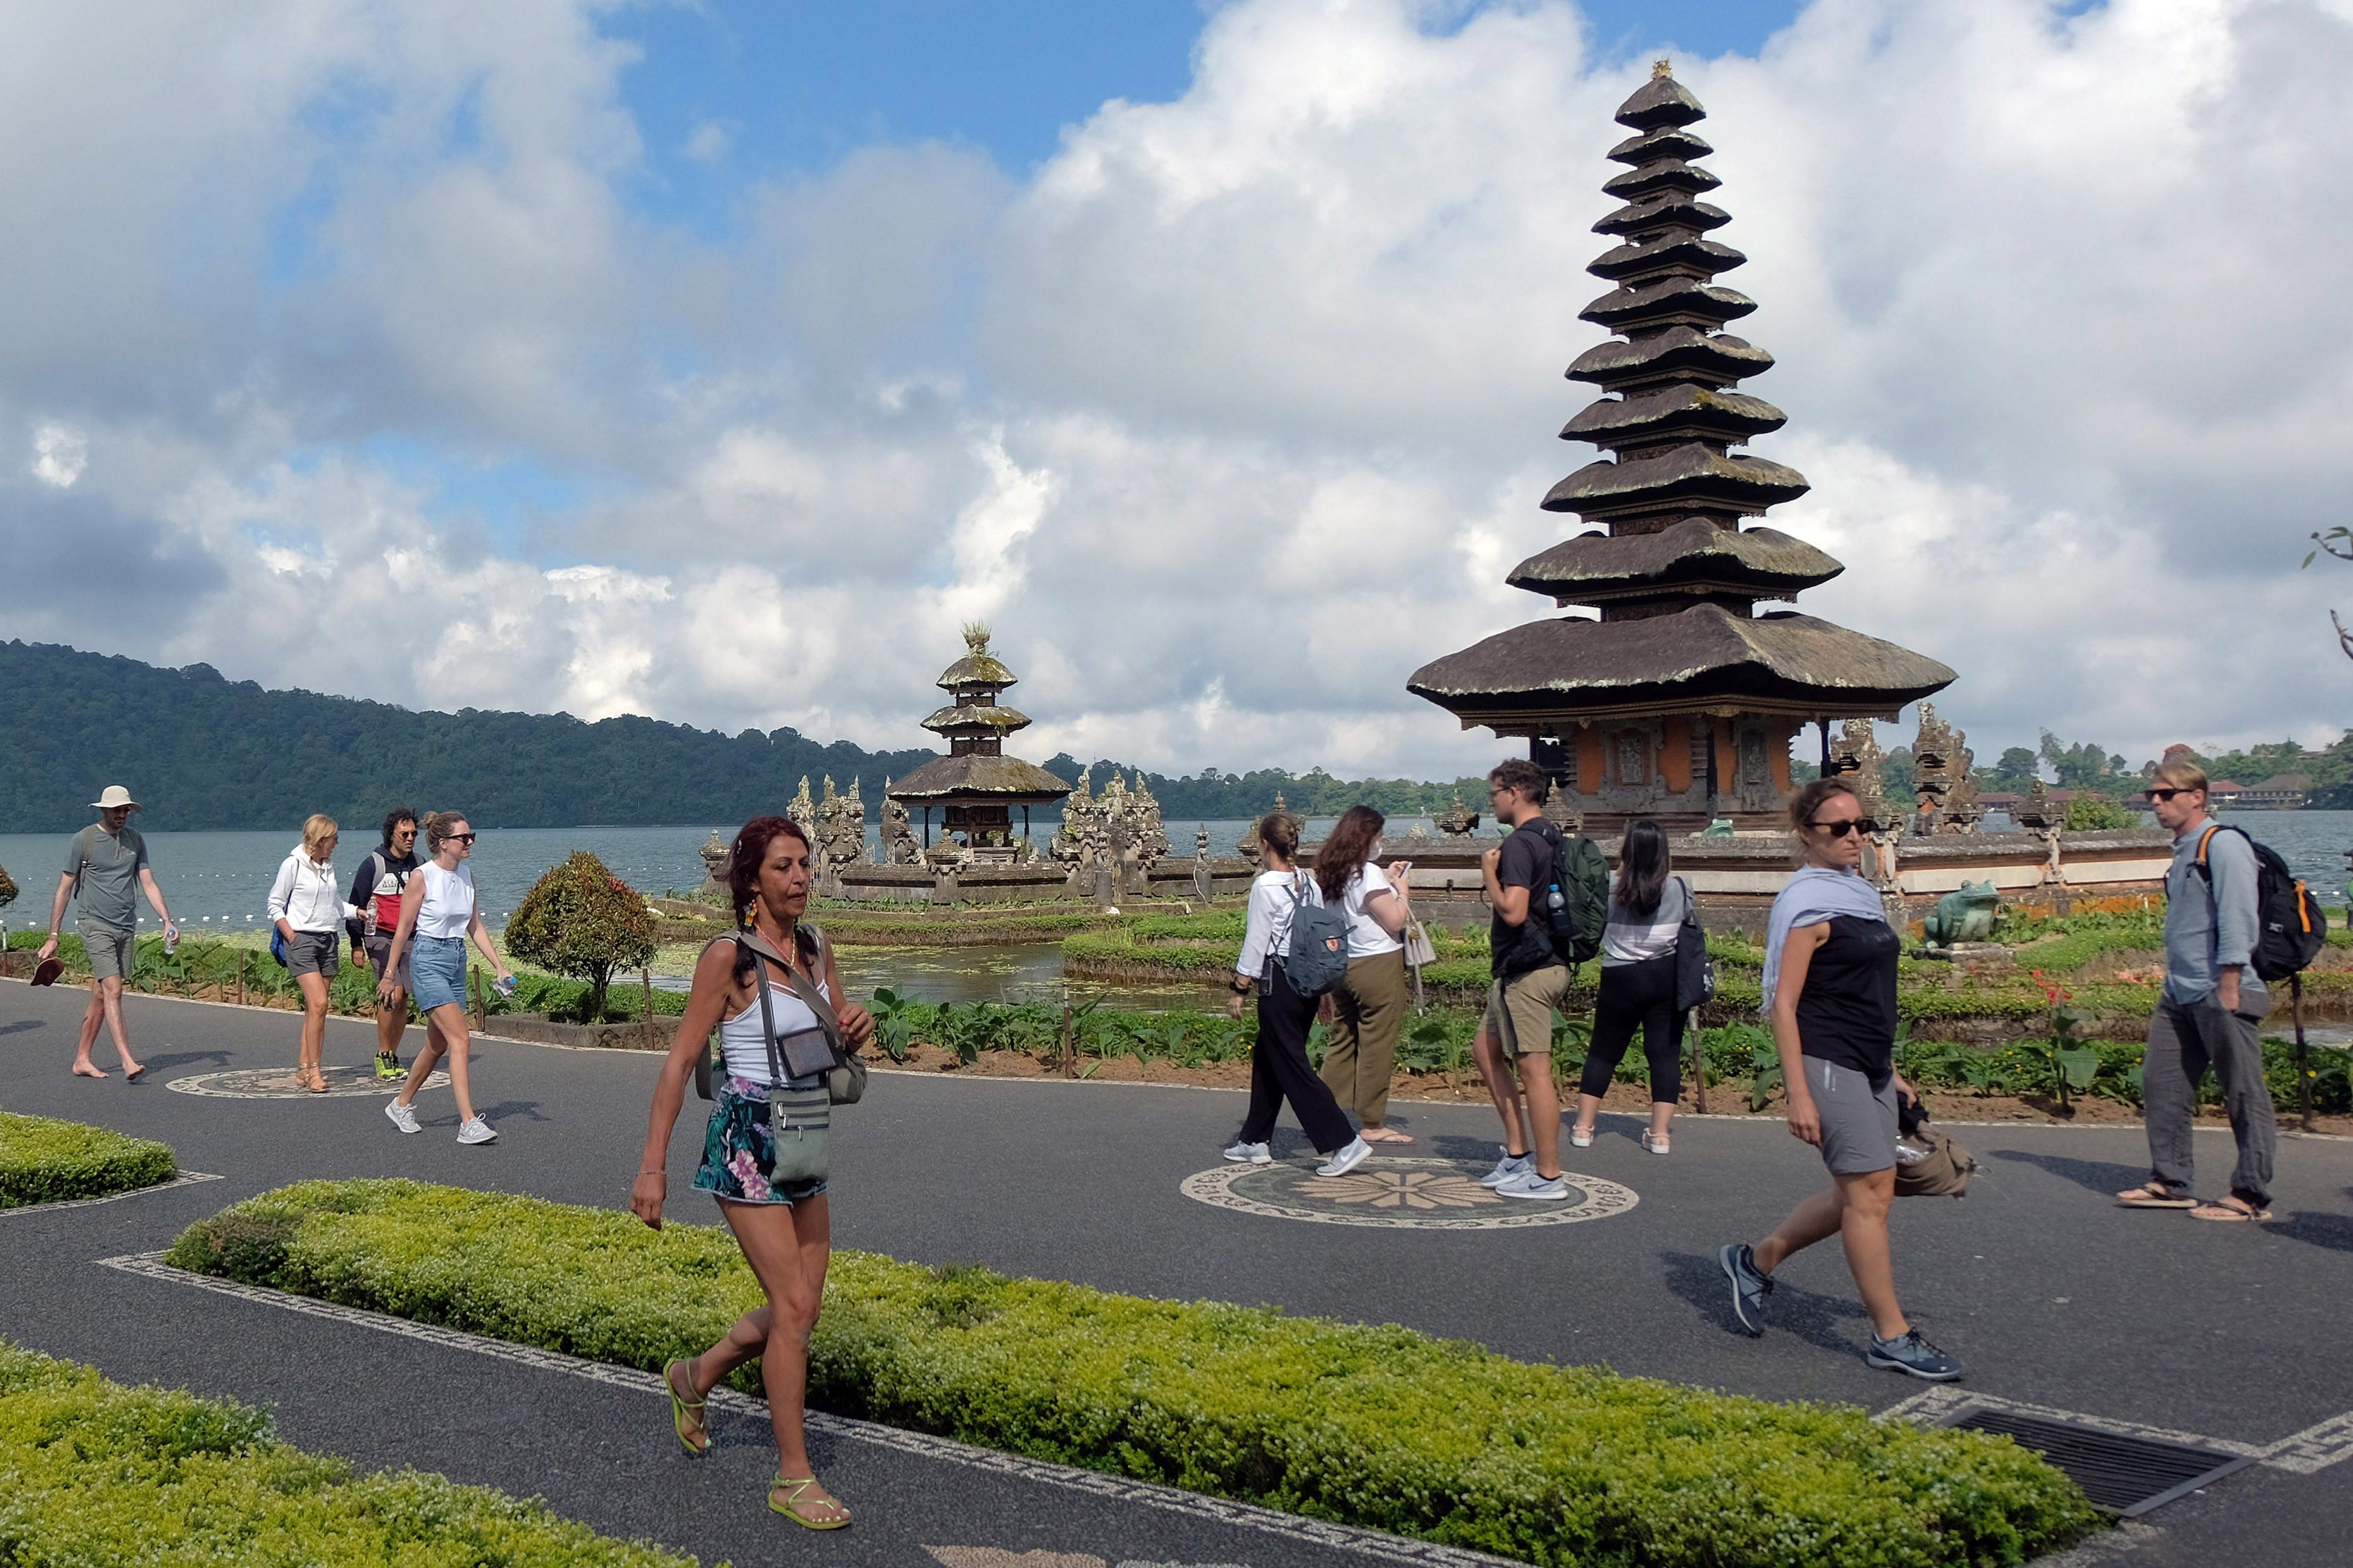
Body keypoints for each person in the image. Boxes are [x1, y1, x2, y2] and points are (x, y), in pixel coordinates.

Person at [629, 816, 874, 1531]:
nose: (799, 878)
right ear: (751, 879)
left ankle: (694, 1375)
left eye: (804, 865)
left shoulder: (819, 945)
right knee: (794, 1310)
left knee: (801, 1309)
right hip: (745, 1144)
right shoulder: (726, 959)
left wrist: (855, 1027)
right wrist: (652, 1167)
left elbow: (833, 1045)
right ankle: (793, 1477)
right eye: (783, 867)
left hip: (804, 1134)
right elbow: (678, 1061)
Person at [1718, 778, 1960, 1381]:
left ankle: (1755, 1260)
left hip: (1870, 1062)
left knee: (1866, 1191)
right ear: (1806, 834)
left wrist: (1893, 1071)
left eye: (1863, 825)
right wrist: (1797, 1093)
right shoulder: (1806, 906)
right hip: (1826, 1062)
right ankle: (1891, 1336)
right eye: (1840, 829)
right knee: (1867, 1194)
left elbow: (1870, 994)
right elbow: (1782, 1004)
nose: (1856, 837)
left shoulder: (1860, 896)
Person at [2116, 761, 2276, 1221]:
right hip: (2180, 992)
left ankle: (2250, 1195)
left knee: (2243, 1093)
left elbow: (2239, 917)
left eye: (2166, 794)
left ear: (2197, 797)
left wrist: (2229, 982)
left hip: (2222, 989)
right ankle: (2172, 1182)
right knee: (2161, 1084)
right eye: (2152, 795)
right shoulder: (2185, 849)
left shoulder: (2222, 844)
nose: (2156, 802)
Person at [1224, 812, 1370, 1177]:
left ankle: (1344, 1141)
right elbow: (1320, 942)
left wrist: (1239, 988)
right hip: (1306, 982)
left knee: (1292, 1067)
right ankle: (1254, 1140)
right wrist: (1324, 992)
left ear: (1265, 845)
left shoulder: (1266, 886)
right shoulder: (1309, 883)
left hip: (1278, 983)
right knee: (1270, 1058)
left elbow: (1257, 943)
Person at [1471, 759, 1575, 1200]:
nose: (1491, 801)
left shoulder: (1518, 844)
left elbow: (1512, 910)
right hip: (1539, 962)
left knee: (1535, 1071)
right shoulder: (1552, 834)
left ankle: (1549, 1174)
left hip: (1529, 969)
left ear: (1514, 792)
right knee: (1485, 1049)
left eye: (1494, 793)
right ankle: (1518, 1153)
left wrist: (1488, 875)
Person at [377, 812, 512, 1144]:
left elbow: (474, 926)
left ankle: (400, 1104)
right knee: (461, 1040)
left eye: (471, 837)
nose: (469, 843)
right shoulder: (423, 877)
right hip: (427, 960)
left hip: (456, 959)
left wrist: (499, 966)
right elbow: (403, 929)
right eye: (463, 838)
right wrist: (390, 974)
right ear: (442, 843)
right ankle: (468, 1122)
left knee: (437, 1045)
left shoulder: (467, 876)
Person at [37, 785, 176, 1081]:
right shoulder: (84, 840)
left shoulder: (135, 841)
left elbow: (148, 883)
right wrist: (53, 936)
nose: (123, 815)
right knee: (114, 989)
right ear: (104, 810)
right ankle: (127, 1060)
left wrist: (167, 920)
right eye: (117, 810)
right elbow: (64, 889)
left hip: (126, 926)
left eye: (126, 810)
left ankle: (82, 1060)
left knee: (101, 994)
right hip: (94, 923)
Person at [1572, 818, 1687, 1157]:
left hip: (1619, 975)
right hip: (1665, 975)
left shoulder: (1608, 886)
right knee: (1664, 1055)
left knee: (1603, 1051)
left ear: (1627, 850)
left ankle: (1583, 1127)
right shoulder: (1679, 887)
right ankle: (1661, 1134)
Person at [1313, 805, 1415, 1143]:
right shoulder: (1368, 873)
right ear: (1367, 838)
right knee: (1377, 1043)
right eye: (1379, 836)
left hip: (1343, 963)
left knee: (1343, 1039)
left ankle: (1324, 1112)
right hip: (1378, 964)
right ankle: (1373, 1123)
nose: (1380, 842)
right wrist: (1402, 891)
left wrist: (1384, 878)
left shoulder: (1332, 872)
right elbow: (1395, 920)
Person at [267, 814, 366, 1094]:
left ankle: (302, 1067)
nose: (337, 843)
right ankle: (315, 1071)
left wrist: (355, 911)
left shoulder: (327, 866)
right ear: (321, 839)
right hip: (302, 941)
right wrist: (290, 935)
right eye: (334, 838)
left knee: (315, 1010)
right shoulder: (292, 865)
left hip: (328, 940)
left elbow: (332, 903)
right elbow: (275, 903)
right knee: (321, 1004)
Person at [348, 808, 421, 1079]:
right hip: (380, 935)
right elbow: (356, 903)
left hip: (411, 937)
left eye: (414, 833)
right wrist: (356, 943)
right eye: (405, 834)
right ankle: (383, 1053)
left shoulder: (419, 864)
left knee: (404, 999)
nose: (411, 838)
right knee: (393, 993)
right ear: (392, 834)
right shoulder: (373, 865)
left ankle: (393, 1053)